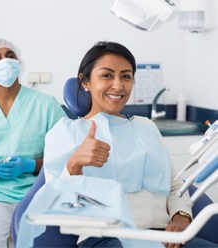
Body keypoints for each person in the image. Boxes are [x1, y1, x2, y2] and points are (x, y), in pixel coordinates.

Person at [18, 41, 218, 248]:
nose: (118, 85)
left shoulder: (146, 127)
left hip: (165, 238)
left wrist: (181, 217)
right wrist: (75, 164)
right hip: (104, 239)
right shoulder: (65, 133)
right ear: (85, 81)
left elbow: (174, 184)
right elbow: (56, 204)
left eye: (126, 76)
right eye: (106, 75)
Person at [0, 38, 67, 248]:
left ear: (19, 63)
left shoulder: (46, 105)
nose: (4, 61)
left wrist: (31, 165)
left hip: (36, 192)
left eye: (10, 56)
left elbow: (67, 156)